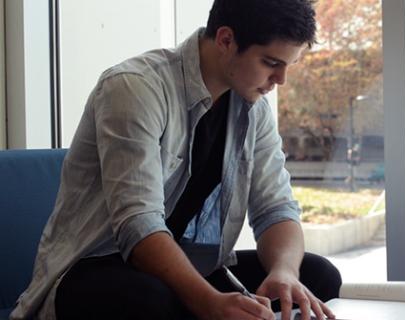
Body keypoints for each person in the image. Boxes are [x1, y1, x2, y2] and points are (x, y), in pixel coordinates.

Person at [10, 1, 341, 319]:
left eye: (288, 65)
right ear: (226, 39)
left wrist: (284, 273)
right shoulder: (134, 88)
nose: (281, 80)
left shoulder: (252, 108)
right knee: (149, 301)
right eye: (271, 63)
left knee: (317, 277)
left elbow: (276, 209)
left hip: (184, 267)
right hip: (99, 268)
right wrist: (209, 303)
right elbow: (138, 225)